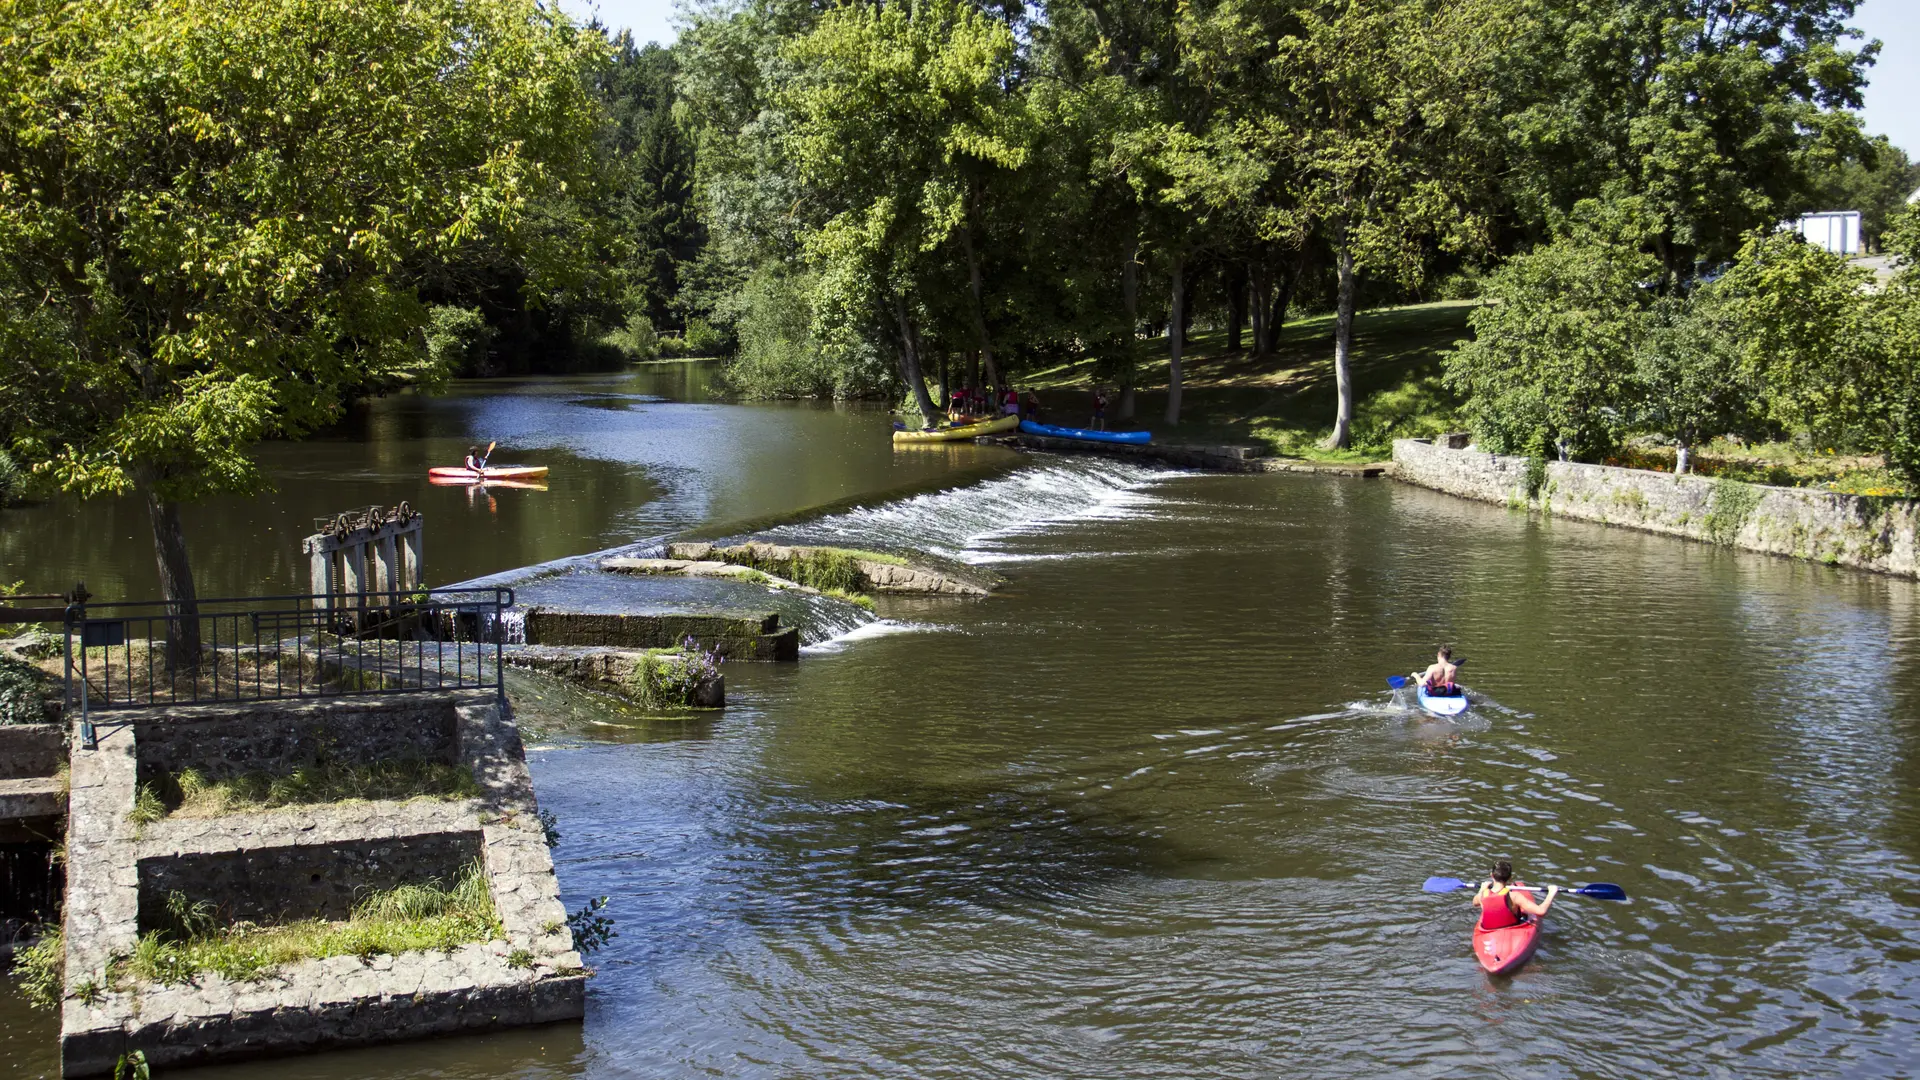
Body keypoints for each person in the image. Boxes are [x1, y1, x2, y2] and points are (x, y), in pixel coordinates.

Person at [1473, 860, 1557, 930]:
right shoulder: (1514, 896)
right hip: (1510, 930)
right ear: (1510, 878)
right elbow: (1541, 911)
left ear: (1491, 875)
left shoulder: (1482, 895)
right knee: (1526, 914)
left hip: (1489, 932)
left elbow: (1475, 903)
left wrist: (1482, 888)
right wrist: (1551, 893)